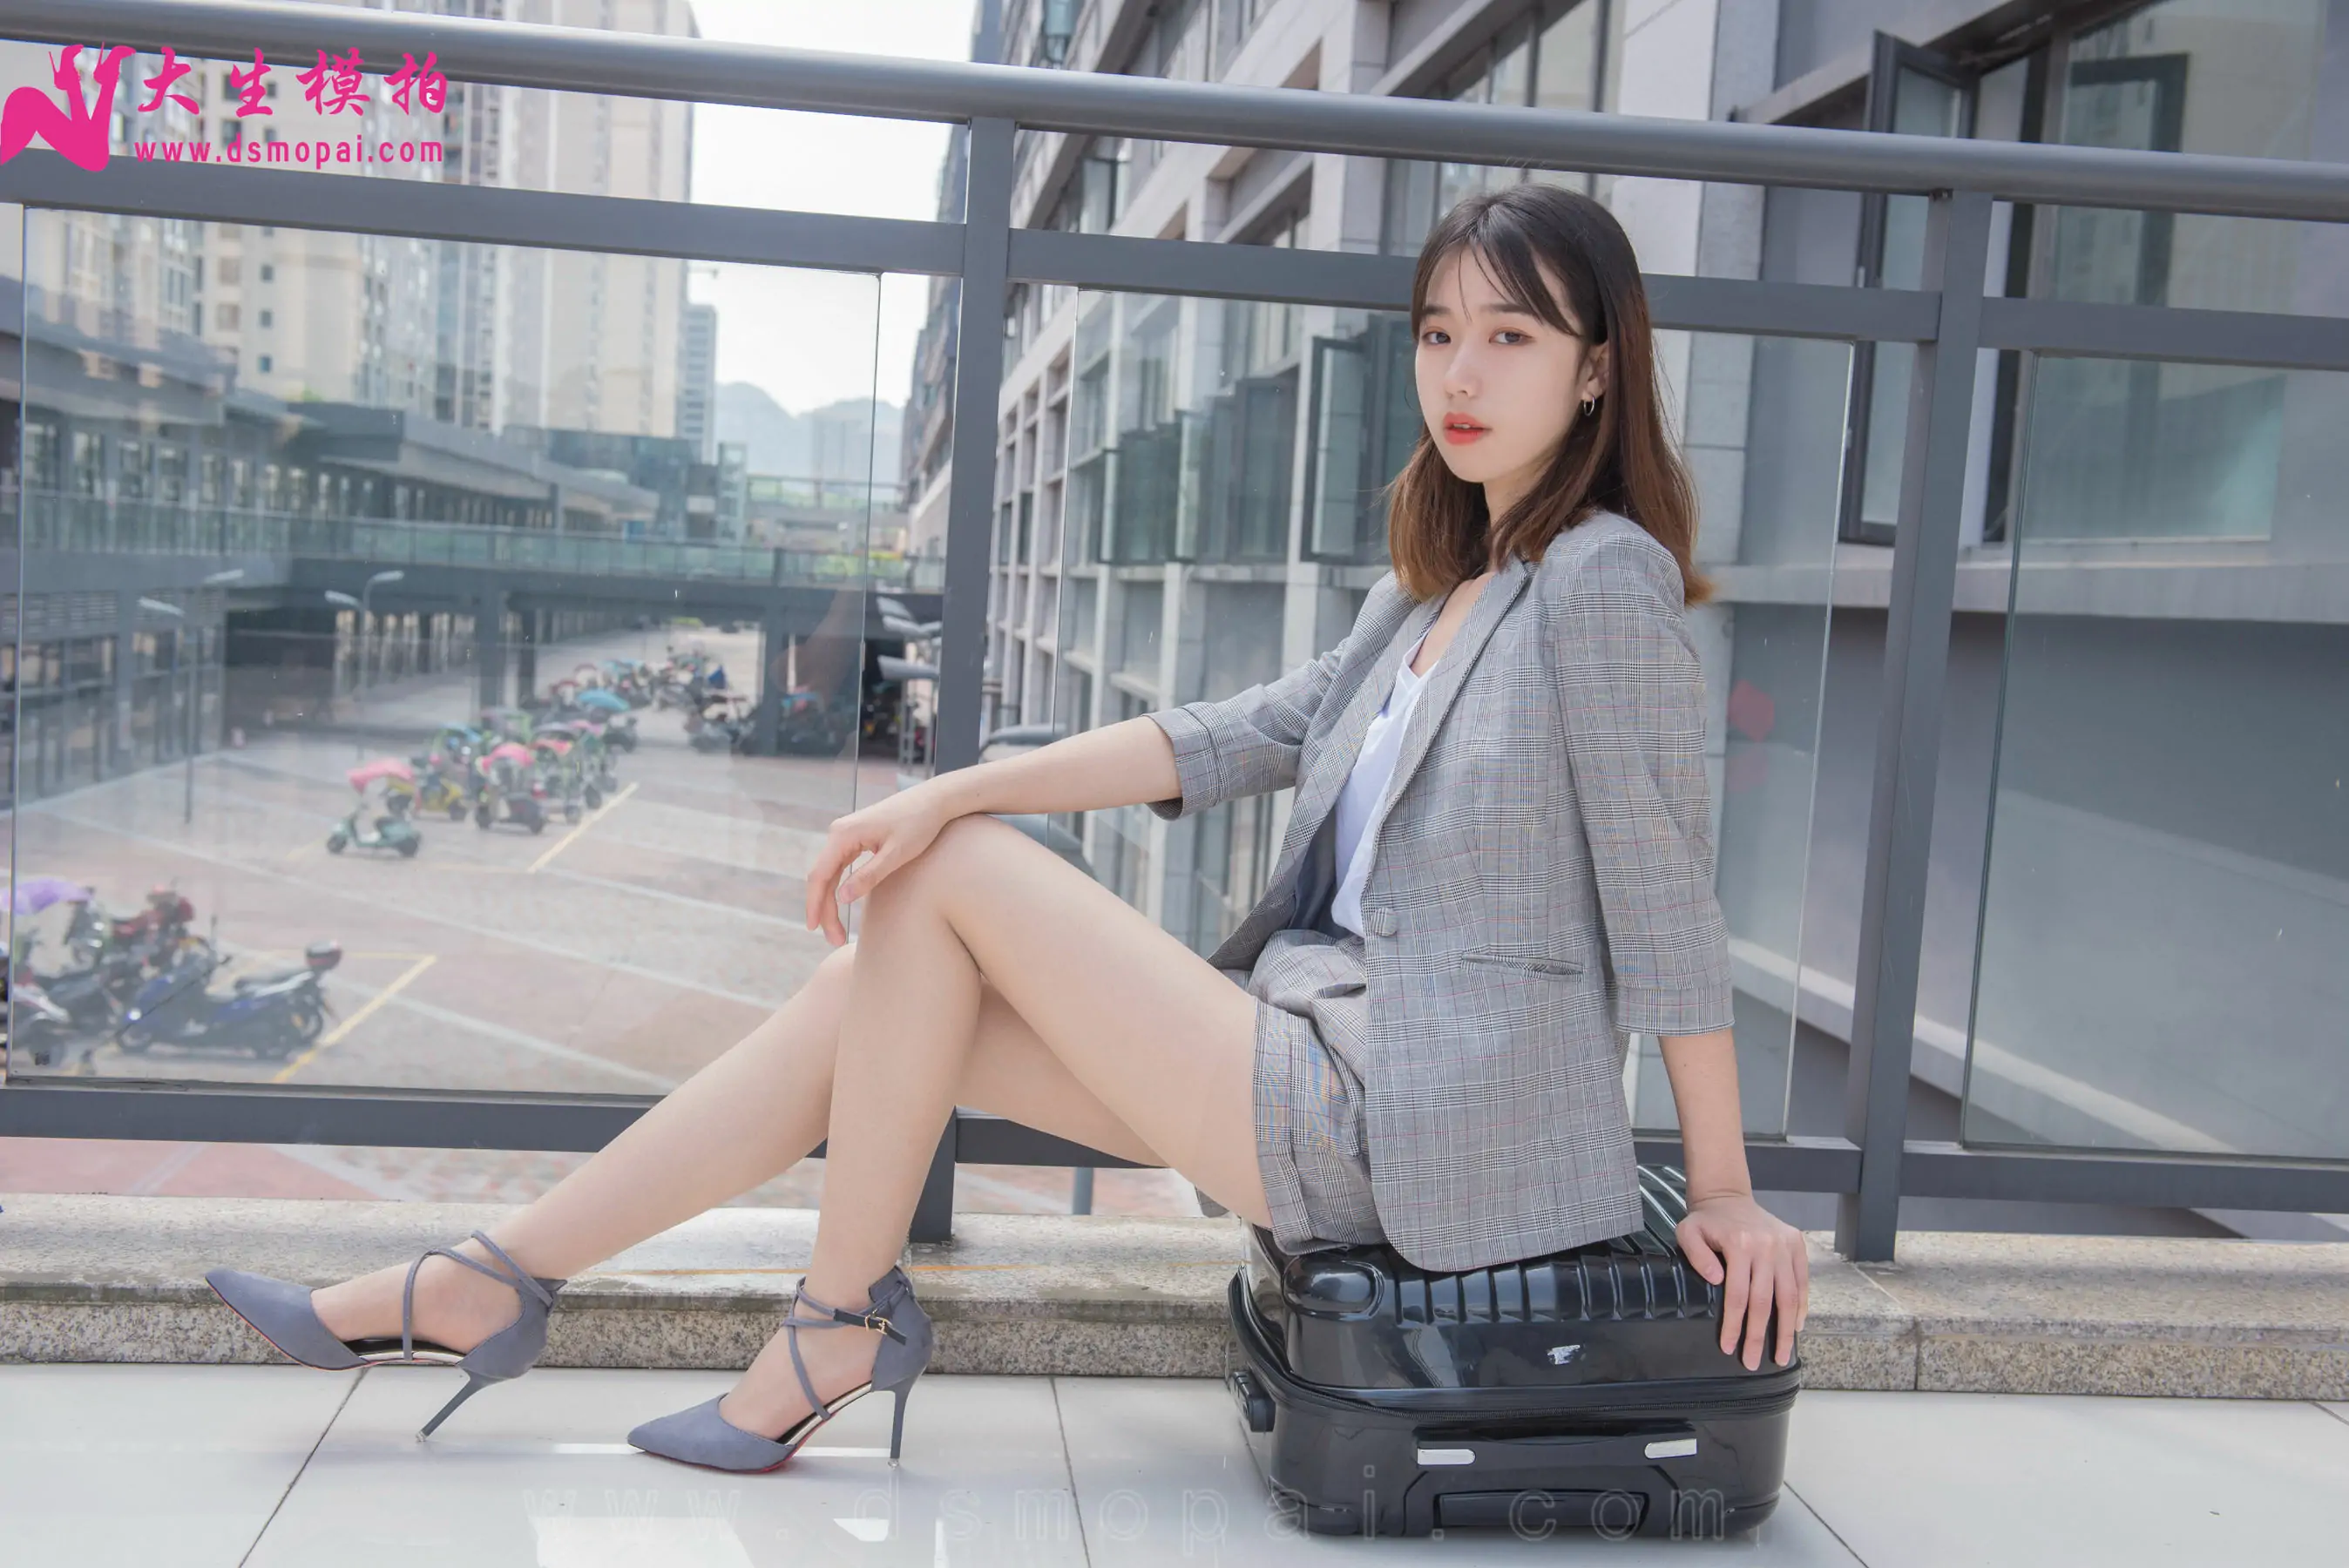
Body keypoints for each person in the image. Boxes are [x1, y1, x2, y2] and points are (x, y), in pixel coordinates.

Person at [205, 182, 1809, 1474]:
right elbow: (1233, 735)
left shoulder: (1601, 579)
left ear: (1597, 368)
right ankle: (493, 1281)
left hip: (1416, 1125)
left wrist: (1725, 1189)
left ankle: (828, 1326)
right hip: (1316, 1061)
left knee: (949, 880)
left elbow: (1666, 903)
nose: (1460, 375)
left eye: (1512, 338)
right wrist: (959, 779)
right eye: (1439, 333)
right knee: (871, 996)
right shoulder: (1442, 586)